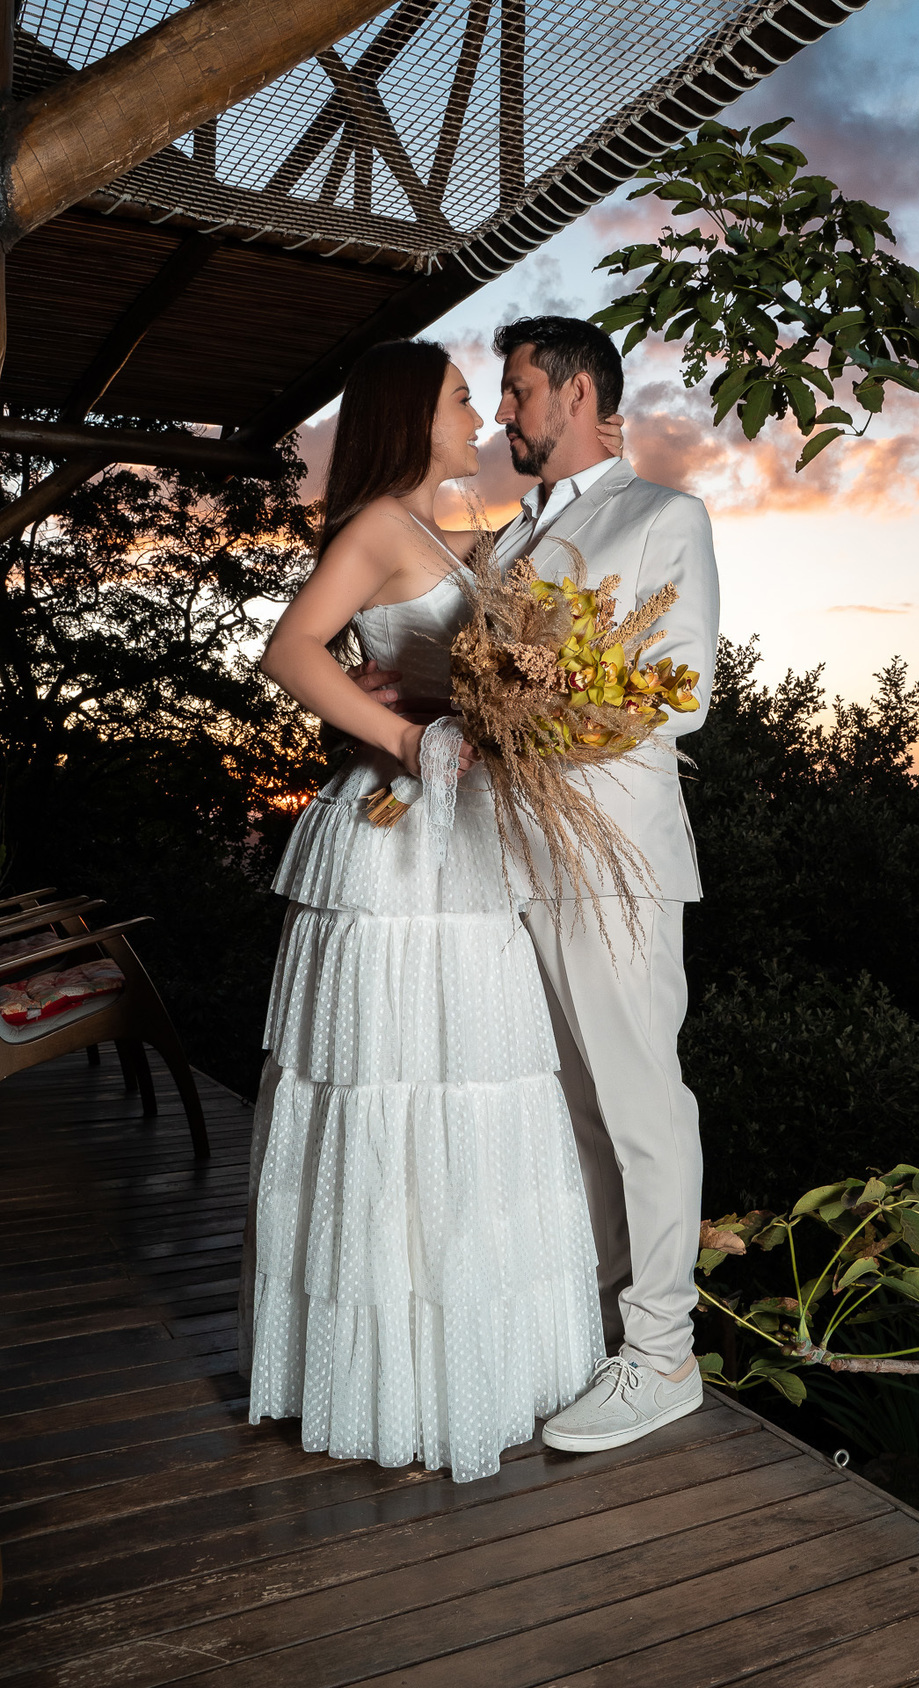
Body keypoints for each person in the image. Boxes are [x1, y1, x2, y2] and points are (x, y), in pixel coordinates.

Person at [237, 338, 608, 1484]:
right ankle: (392, 1378)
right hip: (399, 848)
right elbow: (289, 648)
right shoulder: (381, 531)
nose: (483, 415)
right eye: (463, 397)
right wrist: (407, 737)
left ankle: (475, 1364)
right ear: (414, 414)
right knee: (395, 1093)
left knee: (475, 1094)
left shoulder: (452, 535)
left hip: (469, 846)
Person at [490, 317, 721, 1454]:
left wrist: (536, 714)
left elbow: (683, 693)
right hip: (520, 858)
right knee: (577, 1111)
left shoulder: (664, 517)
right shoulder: (496, 548)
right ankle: (606, 1327)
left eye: (520, 391)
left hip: (620, 854)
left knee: (640, 1104)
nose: (504, 414)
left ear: (577, 394)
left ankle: (665, 1353)